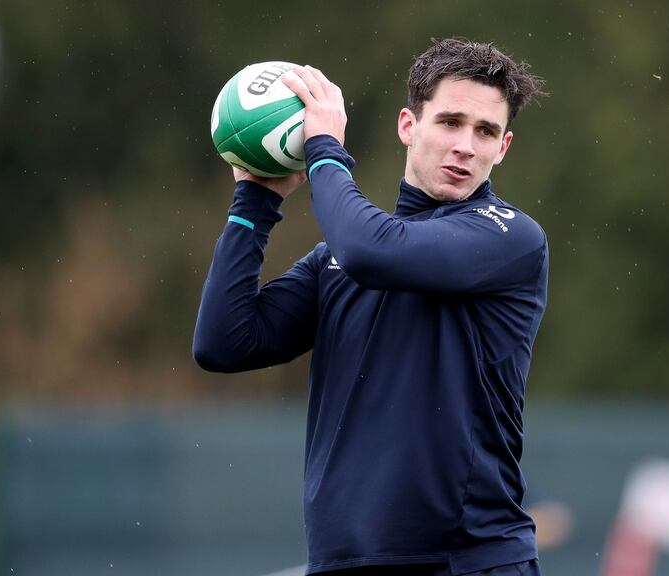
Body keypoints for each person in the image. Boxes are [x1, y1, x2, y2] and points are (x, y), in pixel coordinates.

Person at [193, 38, 547, 575]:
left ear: (503, 148)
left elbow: (370, 250)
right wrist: (254, 200)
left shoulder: (509, 238)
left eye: (485, 132)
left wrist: (325, 151)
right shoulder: (338, 259)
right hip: (342, 564)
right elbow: (223, 343)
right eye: (450, 122)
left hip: (466, 562)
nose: (466, 146)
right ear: (408, 126)